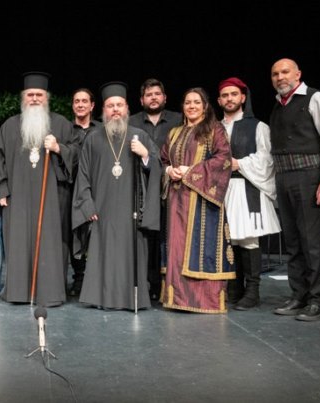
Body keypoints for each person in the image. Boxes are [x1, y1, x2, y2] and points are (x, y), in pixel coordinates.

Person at [0, 72, 78, 307]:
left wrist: (59, 148)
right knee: (18, 243)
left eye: (39, 95)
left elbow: (77, 157)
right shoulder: (10, 126)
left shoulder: (61, 124)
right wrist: (1, 190)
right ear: (23, 97)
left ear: (47, 97)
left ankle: (50, 293)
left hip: (52, 199)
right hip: (17, 199)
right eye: (30, 95)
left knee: (50, 244)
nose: (34, 99)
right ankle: (18, 292)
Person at [72, 82, 161, 310]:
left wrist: (145, 156)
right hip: (102, 210)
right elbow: (83, 175)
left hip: (132, 212)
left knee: (130, 254)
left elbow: (157, 168)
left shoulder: (139, 136)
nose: (115, 110)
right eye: (110, 106)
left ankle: (129, 299)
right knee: (103, 254)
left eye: (119, 105)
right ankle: (102, 298)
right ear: (103, 109)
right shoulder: (93, 138)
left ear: (127, 108)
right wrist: (87, 205)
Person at [268, 58, 320, 321]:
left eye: (285, 72)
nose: (280, 77)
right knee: (293, 241)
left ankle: (317, 300)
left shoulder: (315, 98)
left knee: (310, 241)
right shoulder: (277, 105)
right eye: (275, 74)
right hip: (284, 176)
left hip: (309, 175)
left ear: (298, 74)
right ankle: (298, 295)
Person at [160, 87, 234, 314]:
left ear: (205, 106)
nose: (191, 106)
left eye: (196, 102)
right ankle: (176, 299)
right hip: (176, 199)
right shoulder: (174, 133)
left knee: (201, 248)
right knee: (176, 246)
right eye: (187, 102)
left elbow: (224, 159)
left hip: (203, 201)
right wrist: (169, 170)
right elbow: (163, 159)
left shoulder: (214, 130)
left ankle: (204, 301)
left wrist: (190, 171)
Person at [216, 77, 281, 311]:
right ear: (219, 100)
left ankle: (252, 291)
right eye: (225, 95)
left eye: (234, 94)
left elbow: (267, 158)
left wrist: (239, 164)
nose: (229, 99)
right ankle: (234, 287)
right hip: (221, 190)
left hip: (247, 186)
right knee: (229, 238)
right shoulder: (214, 128)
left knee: (248, 237)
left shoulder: (258, 126)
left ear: (243, 97)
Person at [129, 78, 184, 302]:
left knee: (168, 236)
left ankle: (167, 286)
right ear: (142, 99)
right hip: (139, 188)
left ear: (165, 98)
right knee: (145, 237)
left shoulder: (178, 120)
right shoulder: (132, 121)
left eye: (157, 94)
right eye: (149, 95)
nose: (153, 98)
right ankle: (145, 284)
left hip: (173, 186)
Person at [67, 88, 102, 297]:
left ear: (92, 105)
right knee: (76, 232)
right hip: (70, 189)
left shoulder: (101, 129)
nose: (80, 105)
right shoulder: (66, 130)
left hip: (96, 189)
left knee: (94, 233)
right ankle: (79, 278)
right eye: (76, 101)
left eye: (84, 101)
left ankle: (94, 278)